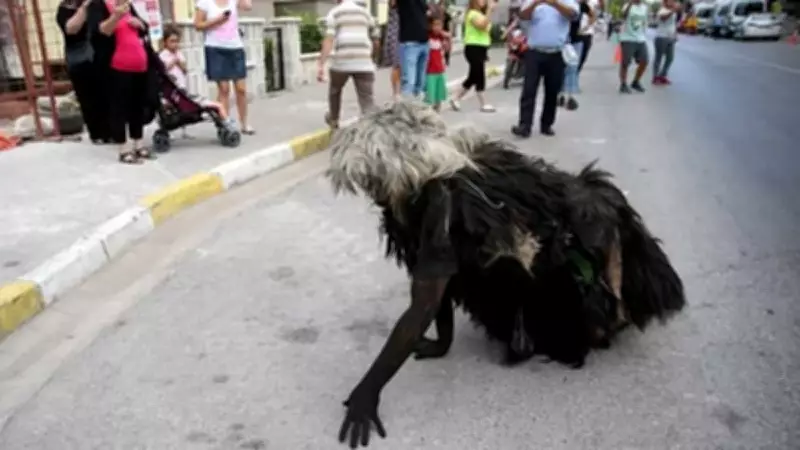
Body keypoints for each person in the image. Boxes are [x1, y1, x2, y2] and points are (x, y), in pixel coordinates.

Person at [327, 100, 687, 448]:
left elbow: (424, 303)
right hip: (530, 250)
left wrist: (368, 391)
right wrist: (442, 342)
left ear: (401, 170)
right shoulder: (415, 197)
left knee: (550, 333)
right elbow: (434, 271)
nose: (370, 192)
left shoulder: (446, 203)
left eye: (373, 181)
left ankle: (596, 314)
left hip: (558, 262)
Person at [511, 0, 579, 138]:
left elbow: (573, 15)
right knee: (529, 89)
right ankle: (524, 125)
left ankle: (546, 124)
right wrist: (536, 3)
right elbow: (523, 16)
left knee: (552, 90)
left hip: (557, 52)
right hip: (534, 51)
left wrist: (554, 3)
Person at [97, 0, 153, 164]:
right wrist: (116, 16)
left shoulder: (128, 6)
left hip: (139, 64)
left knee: (138, 106)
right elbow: (102, 31)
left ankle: (138, 143)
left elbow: (144, 27)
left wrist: (139, 24)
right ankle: (123, 148)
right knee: (119, 107)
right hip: (117, 65)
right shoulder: (100, 6)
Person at [317, 0, 380, 129]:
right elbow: (376, 40)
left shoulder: (334, 13)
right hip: (364, 62)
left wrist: (321, 64)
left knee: (335, 89)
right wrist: (372, 58)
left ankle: (334, 119)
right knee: (367, 100)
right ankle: (370, 127)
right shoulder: (366, 13)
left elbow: (329, 40)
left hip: (342, 61)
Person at [193, 0, 254, 134]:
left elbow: (248, 6)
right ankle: (225, 125)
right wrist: (217, 20)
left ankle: (244, 123)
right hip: (215, 48)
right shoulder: (205, 2)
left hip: (235, 47)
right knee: (224, 89)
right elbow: (197, 25)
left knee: (241, 89)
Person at [159, 24, 230, 138]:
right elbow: (163, 71)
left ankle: (184, 132)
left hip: (182, 88)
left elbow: (185, 69)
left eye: (177, 41)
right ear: (165, 42)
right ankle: (228, 124)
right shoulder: (162, 56)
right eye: (172, 41)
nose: (175, 44)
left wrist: (179, 62)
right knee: (174, 109)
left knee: (182, 106)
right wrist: (172, 62)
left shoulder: (179, 53)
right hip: (173, 91)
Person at [56, 0, 110, 144]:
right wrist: (84, 7)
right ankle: (97, 133)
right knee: (87, 97)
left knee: (107, 93)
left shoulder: (98, 4)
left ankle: (112, 130)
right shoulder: (65, 8)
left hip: (100, 54)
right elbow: (71, 29)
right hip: (79, 57)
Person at [449, 0, 496, 113]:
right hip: (473, 47)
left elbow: (485, 31)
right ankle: (483, 103)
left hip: (481, 48)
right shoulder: (472, 14)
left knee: (473, 76)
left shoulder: (482, 14)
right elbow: (482, 26)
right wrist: (490, 10)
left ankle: (456, 98)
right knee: (479, 74)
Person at [558, 0, 592, 111]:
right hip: (562, 40)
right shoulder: (562, 3)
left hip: (576, 40)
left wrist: (585, 28)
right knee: (561, 68)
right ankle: (560, 95)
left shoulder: (581, 5)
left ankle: (570, 97)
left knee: (572, 68)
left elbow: (592, 15)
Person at [396, 0, 429, 98]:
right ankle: (406, 104)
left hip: (424, 42)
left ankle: (416, 104)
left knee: (420, 83)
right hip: (410, 43)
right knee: (409, 82)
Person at [617, 0, 649, 93]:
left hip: (640, 38)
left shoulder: (644, 7)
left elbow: (644, 22)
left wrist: (644, 33)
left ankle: (635, 82)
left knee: (645, 61)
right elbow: (623, 16)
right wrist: (630, 4)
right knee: (625, 63)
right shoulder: (627, 5)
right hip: (627, 38)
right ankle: (623, 84)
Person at [424, 16, 451, 112]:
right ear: (430, 25)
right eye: (435, 25)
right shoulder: (428, 36)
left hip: (440, 69)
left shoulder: (441, 37)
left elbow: (447, 50)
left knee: (439, 94)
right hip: (429, 70)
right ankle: (428, 111)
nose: (437, 27)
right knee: (430, 94)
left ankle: (438, 110)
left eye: (439, 25)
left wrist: (448, 39)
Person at [652, 0, 680, 85]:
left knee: (670, 58)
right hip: (661, 37)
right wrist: (673, 10)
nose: (672, 2)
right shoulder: (662, 10)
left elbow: (673, 24)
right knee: (658, 58)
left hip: (670, 37)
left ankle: (662, 75)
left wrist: (675, 34)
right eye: (670, 1)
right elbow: (663, 18)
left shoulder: (673, 12)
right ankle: (655, 77)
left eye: (673, 1)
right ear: (665, 2)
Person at [381, 0, 401, 100]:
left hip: (398, 35)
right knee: (396, 66)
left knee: (400, 66)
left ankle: (397, 92)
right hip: (395, 35)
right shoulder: (394, 8)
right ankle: (396, 92)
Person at [576, 0, 597, 74]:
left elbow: (593, 16)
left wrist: (585, 28)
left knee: (582, 59)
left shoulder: (593, 2)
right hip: (573, 34)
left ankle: (575, 74)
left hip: (587, 34)